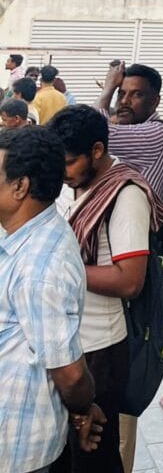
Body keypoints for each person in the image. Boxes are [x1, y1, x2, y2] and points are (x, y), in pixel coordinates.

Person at [50, 105, 163, 473]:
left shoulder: (125, 194)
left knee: (94, 460)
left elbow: (130, 280)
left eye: (69, 162)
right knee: (63, 454)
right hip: (67, 341)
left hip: (99, 349)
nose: (62, 172)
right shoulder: (72, 184)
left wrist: (59, 270)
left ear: (97, 151)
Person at [0, 125, 106, 473]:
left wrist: (83, 407)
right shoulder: (23, 233)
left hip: (15, 446)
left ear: (20, 186)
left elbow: (70, 375)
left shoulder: (41, 266)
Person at [94, 62, 163, 199]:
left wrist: (108, 88)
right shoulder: (130, 129)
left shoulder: (158, 133)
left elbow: (92, 132)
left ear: (155, 101)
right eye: (120, 94)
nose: (124, 101)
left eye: (137, 94)